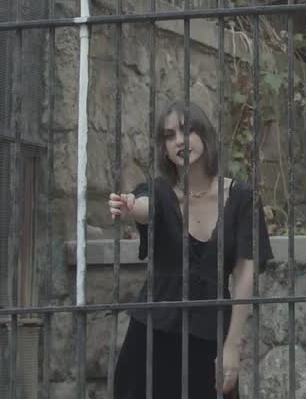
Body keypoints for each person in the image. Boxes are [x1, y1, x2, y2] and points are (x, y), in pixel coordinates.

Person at [108, 100, 274, 398]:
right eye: (169, 135)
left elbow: (245, 273)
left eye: (188, 130)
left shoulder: (242, 199)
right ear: (164, 148)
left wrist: (232, 347)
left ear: (205, 135)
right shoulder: (158, 191)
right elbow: (148, 207)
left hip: (208, 337)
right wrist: (131, 206)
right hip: (150, 336)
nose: (179, 141)